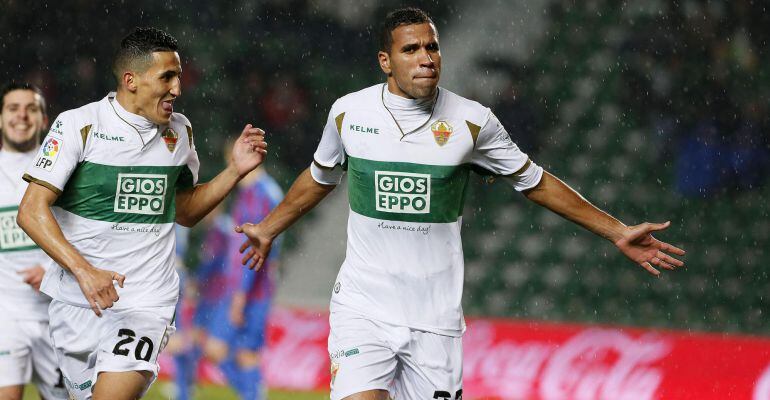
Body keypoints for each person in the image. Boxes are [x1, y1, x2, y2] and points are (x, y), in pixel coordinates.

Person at [237, 7, 685, 400]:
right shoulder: (349, 113)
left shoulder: (473, 122)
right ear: (385, 62)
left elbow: (535, 183)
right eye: (411, 49)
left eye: (432, 47)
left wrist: (617, 230)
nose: (426, 58)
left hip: (434, 317)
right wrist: (269, 227)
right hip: (363, 305)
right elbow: (318, 179)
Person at [17, 27, 267, 400]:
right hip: (77, 301)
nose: (177, 89)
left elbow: (184, 211)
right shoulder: (80, 126)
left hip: (147, 301)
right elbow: (30, 211)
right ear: (131, 80)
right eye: (167, 77)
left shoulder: (179, 133)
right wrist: (85, 272)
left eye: (179, 77)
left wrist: (233, 171)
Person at [0, 83, 68, 400]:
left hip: (60, 312)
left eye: (31, 108)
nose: (21, 116)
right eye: (13, 108)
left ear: (44, 120)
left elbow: (84, 233)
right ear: (1, 118)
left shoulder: (64, 171)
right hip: (7, 312)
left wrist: (50, 269)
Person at [203, 165, 283, 400]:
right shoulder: (266, 192)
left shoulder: (259, 195)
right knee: (240, 353)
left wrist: (240, 294)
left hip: (249, 289)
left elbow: (256, 249)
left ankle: (252, 393)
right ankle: (252, 392)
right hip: (251, 288)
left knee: (229, 351)